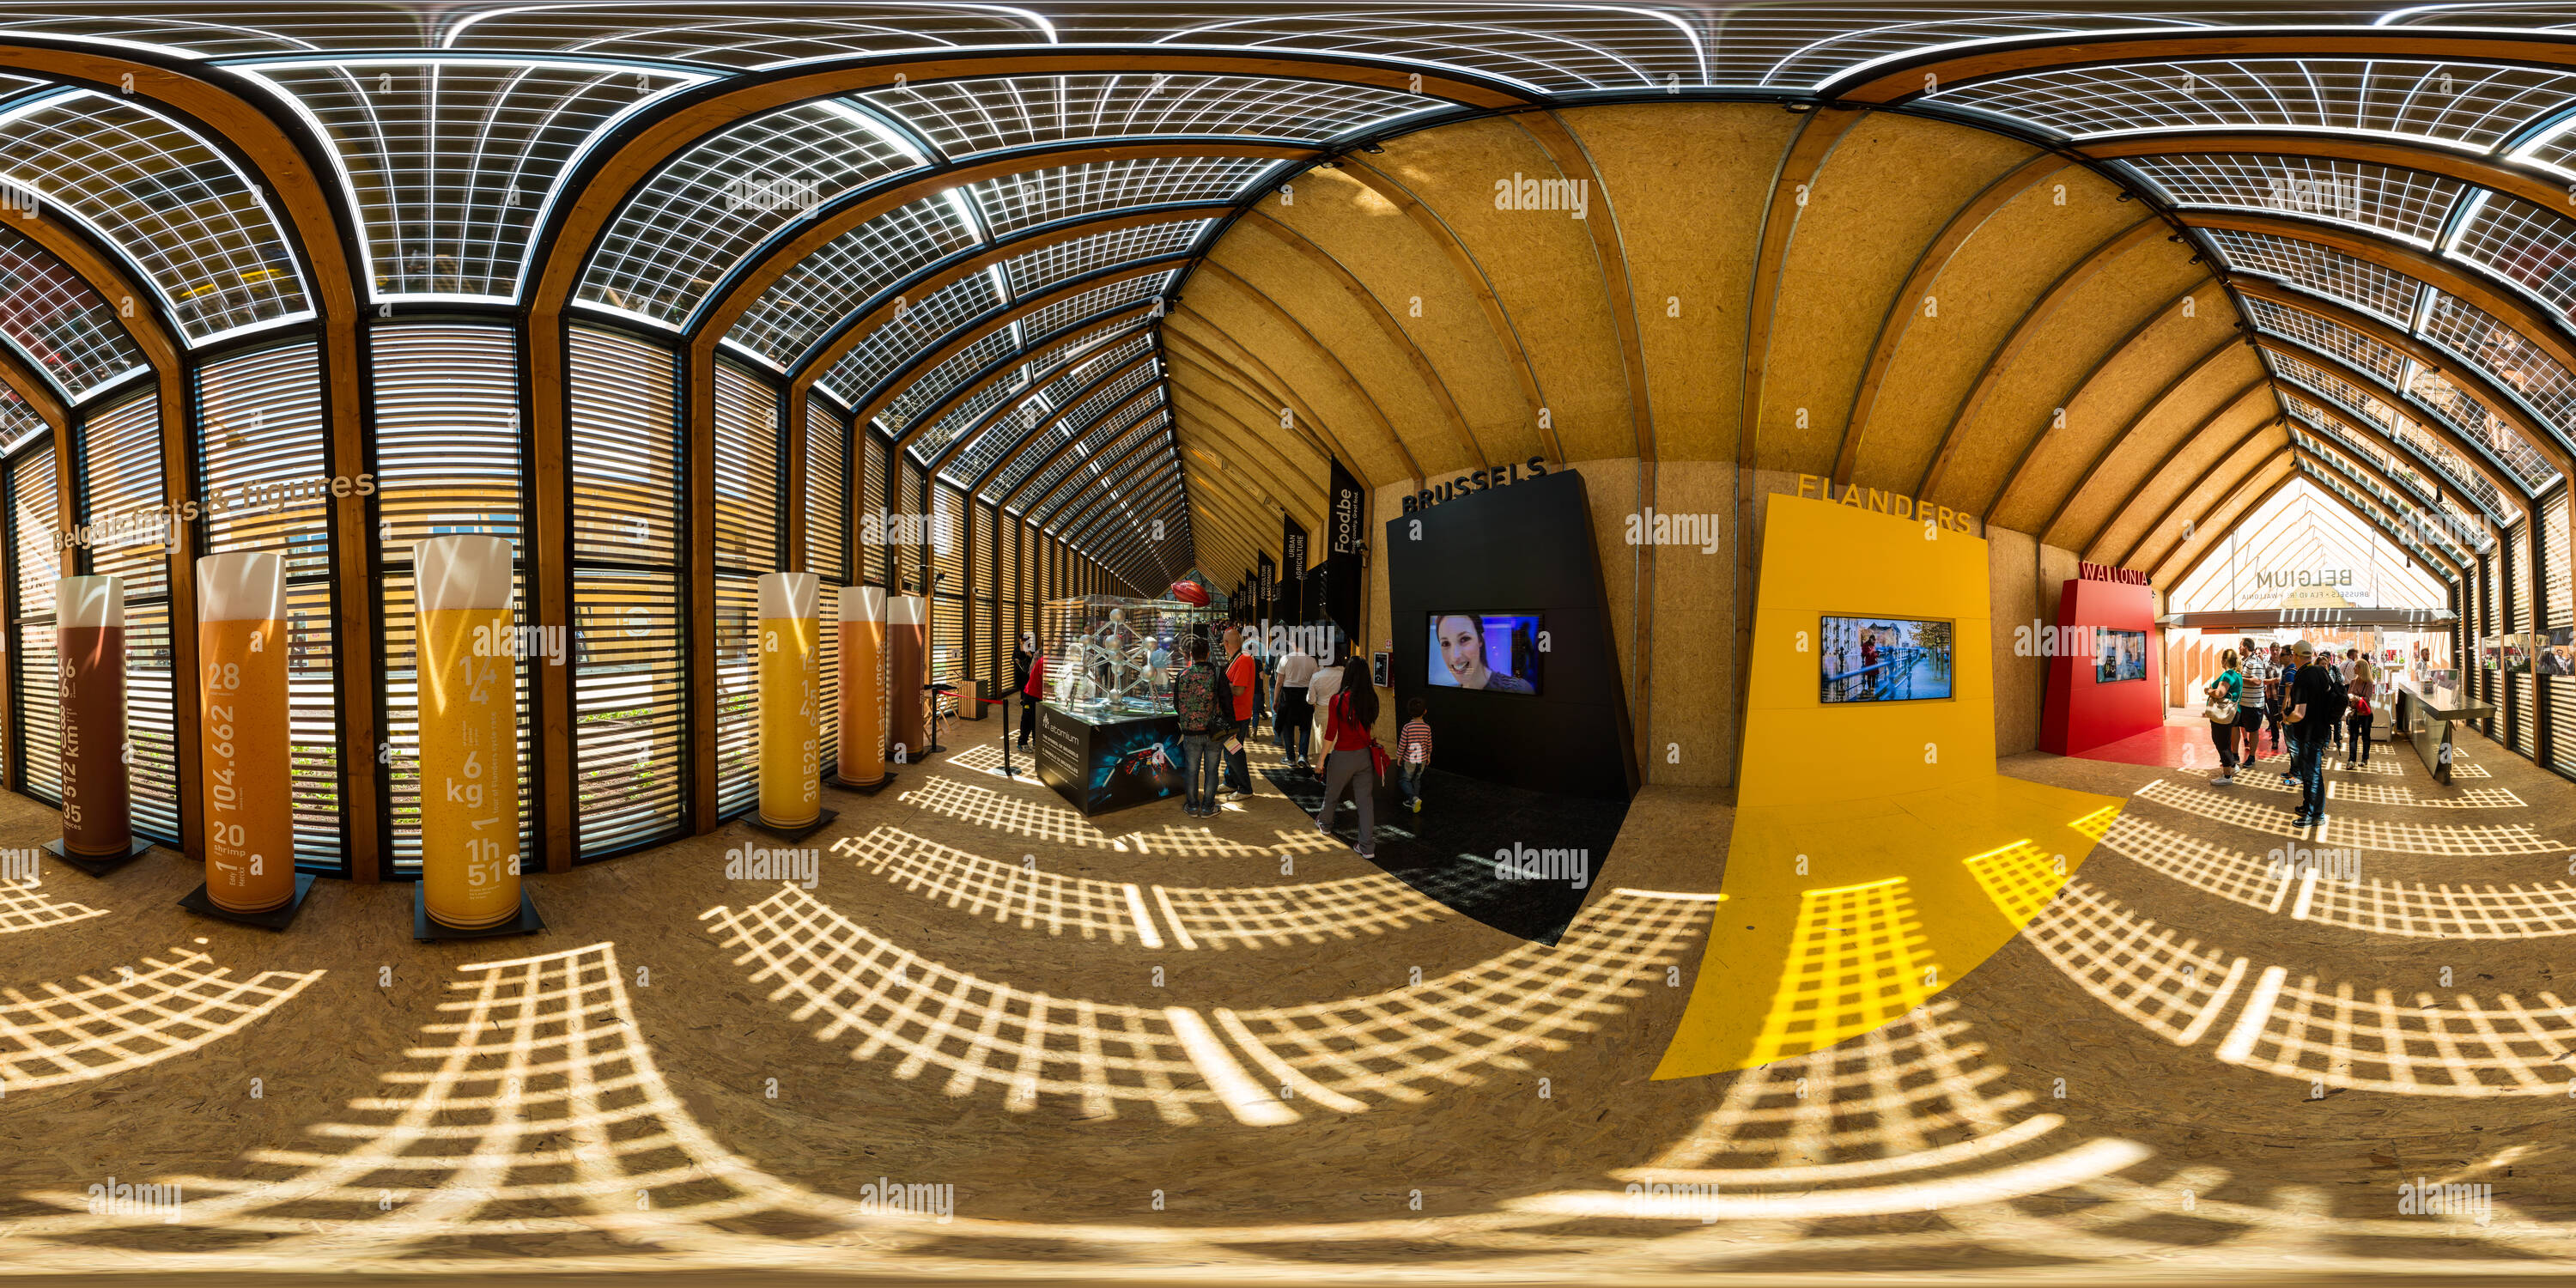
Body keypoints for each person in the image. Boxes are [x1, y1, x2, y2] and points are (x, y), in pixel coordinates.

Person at [1315, 656, 1380, 860]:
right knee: (1365, 802)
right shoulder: (1371, 698)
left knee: (1332, 793)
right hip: (1364, 755)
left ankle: (1325, 824)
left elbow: (1331, 733)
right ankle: (1367, 847)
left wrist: (1320, 760)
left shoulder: (1338, 699)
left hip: (1343, 755)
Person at [2282, 641, 2344, 829]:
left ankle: (2316, 814)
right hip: (2321, 730)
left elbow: (2299, 713)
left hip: (2308, 733)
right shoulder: (2321, 671)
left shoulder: (2303, 677)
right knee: (2311, 772)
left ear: (2296, 656)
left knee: (2312, 774)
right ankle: (2308, 806)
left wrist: (2286, 719)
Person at [1173, 639, 1224, 817]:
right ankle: (1208, 807)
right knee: (1212, 771)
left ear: (1192, 655)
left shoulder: (1183, 674)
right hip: (1213, 732)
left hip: (1190, 731)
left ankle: (1193, 806)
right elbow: (1226, 701)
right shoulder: (1216, 674)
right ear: (1208, 653)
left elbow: (1176, 704)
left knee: (1192, 770)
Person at [1431, 612, 1537, 693]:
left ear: (1480, 640)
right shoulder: (1449, 691)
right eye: (1445, 644)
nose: (1455, 656)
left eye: (1464, 639)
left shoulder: (1518, 689)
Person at [1222, 633, 1258, 798]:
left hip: (1238, 715)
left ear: (1225, 643)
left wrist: (1220, 685)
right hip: (1235, 714)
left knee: (1234, 751)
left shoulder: (1243, 659)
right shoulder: (1240, 658)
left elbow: (1238, 689)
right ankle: (1231, 781)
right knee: (1230, 750)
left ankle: (1245, 788)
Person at [1274, 636, 1316, 770]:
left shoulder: (1285, 659)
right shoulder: (1312, 661)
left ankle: (1290, 758)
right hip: (1305, 695)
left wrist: (1275, 700)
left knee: (1287, 726)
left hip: (1288, 696)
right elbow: (1314, 682)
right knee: (1305, 727)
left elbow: (1279, 682)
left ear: (1293, 644)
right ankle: (1303, 755)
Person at [2205, 649, 2244, 787]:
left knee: (2222, 744)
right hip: (2233, 713)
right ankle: (2232, 766)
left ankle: (2227, 776)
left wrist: (2209, 691)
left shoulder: (2229, 674)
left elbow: (2220, 693)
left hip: (2224, 713)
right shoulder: (2237, 674)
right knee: (2224, 741)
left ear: (2225, 660)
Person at [1305, 646, 1346, 772]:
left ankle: (1326, 773)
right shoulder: (1345, 674)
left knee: (1326, 745)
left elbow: (1310, 700)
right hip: (1341, 712)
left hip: (1322, 713)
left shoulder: (1317, 676)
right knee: (1339, 745)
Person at [2235, 637, 2274, 769]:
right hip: (2241, 703)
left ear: (2245, 647)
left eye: (2240, 645)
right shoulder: (2243, 661)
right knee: (2236, 726)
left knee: (2253, 730)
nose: (2239, 648)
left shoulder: (2256, 662)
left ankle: (2251, 756)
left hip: (2253, 704)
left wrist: (2239, 677)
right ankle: (2234, 755)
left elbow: (2257, 681)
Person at [1397, 696, 1433, 811]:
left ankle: (1413, 798)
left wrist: (1399, 756)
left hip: (1410, 760)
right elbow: (1429, 744)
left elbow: (1403, 744)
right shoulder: (1427, 728)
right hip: (1421, 760)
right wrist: (1428, 755)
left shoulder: (1407, 727)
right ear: (1425, 711)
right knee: (1416, 780)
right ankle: (1414, 800)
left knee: (1404, 780)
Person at [2346, 659, 2377, 766]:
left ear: (2362, 668)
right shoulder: (2353, 681)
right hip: (2354, 713)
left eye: (2356, 667)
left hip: (2365, 713)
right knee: (2353, 736)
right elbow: (2348, 694)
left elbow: (2367, 698)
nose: (2354, 668)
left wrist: (2354, 697)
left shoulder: (2369, 682)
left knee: (2365, 736)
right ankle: (2352, 760)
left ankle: (2365, 758)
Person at [1012, 631, 1038, 749]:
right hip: (1020, 670)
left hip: (1028, 672)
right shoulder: (1017, 648)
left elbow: (1034, 659)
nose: (1021, 643)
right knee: (1021, 685)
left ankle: (1024, 699)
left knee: (1026, 686)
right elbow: (1014, 656)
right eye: (1020, 641)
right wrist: (1016, 659)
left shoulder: (1032, 649)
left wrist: (1029, 655)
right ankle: (1023, 698)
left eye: (1023, 641)